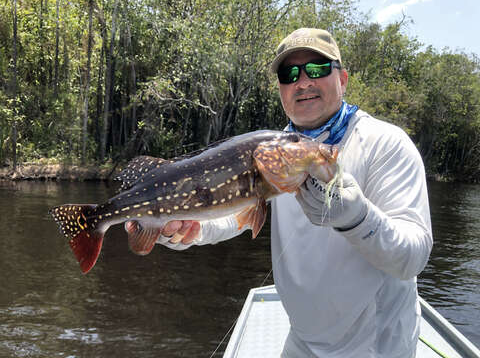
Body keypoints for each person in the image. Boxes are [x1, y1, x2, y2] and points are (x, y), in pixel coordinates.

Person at [126, 28, 433, 357]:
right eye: (289, 74)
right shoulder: (279, 147)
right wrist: (193, 230)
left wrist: (356, 217)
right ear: (281, 90)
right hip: (302, 340)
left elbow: (413, 258)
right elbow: (240, 212)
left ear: (343, 79)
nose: (303, 82)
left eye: (316, 69)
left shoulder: (385, 143)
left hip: (375, 345)